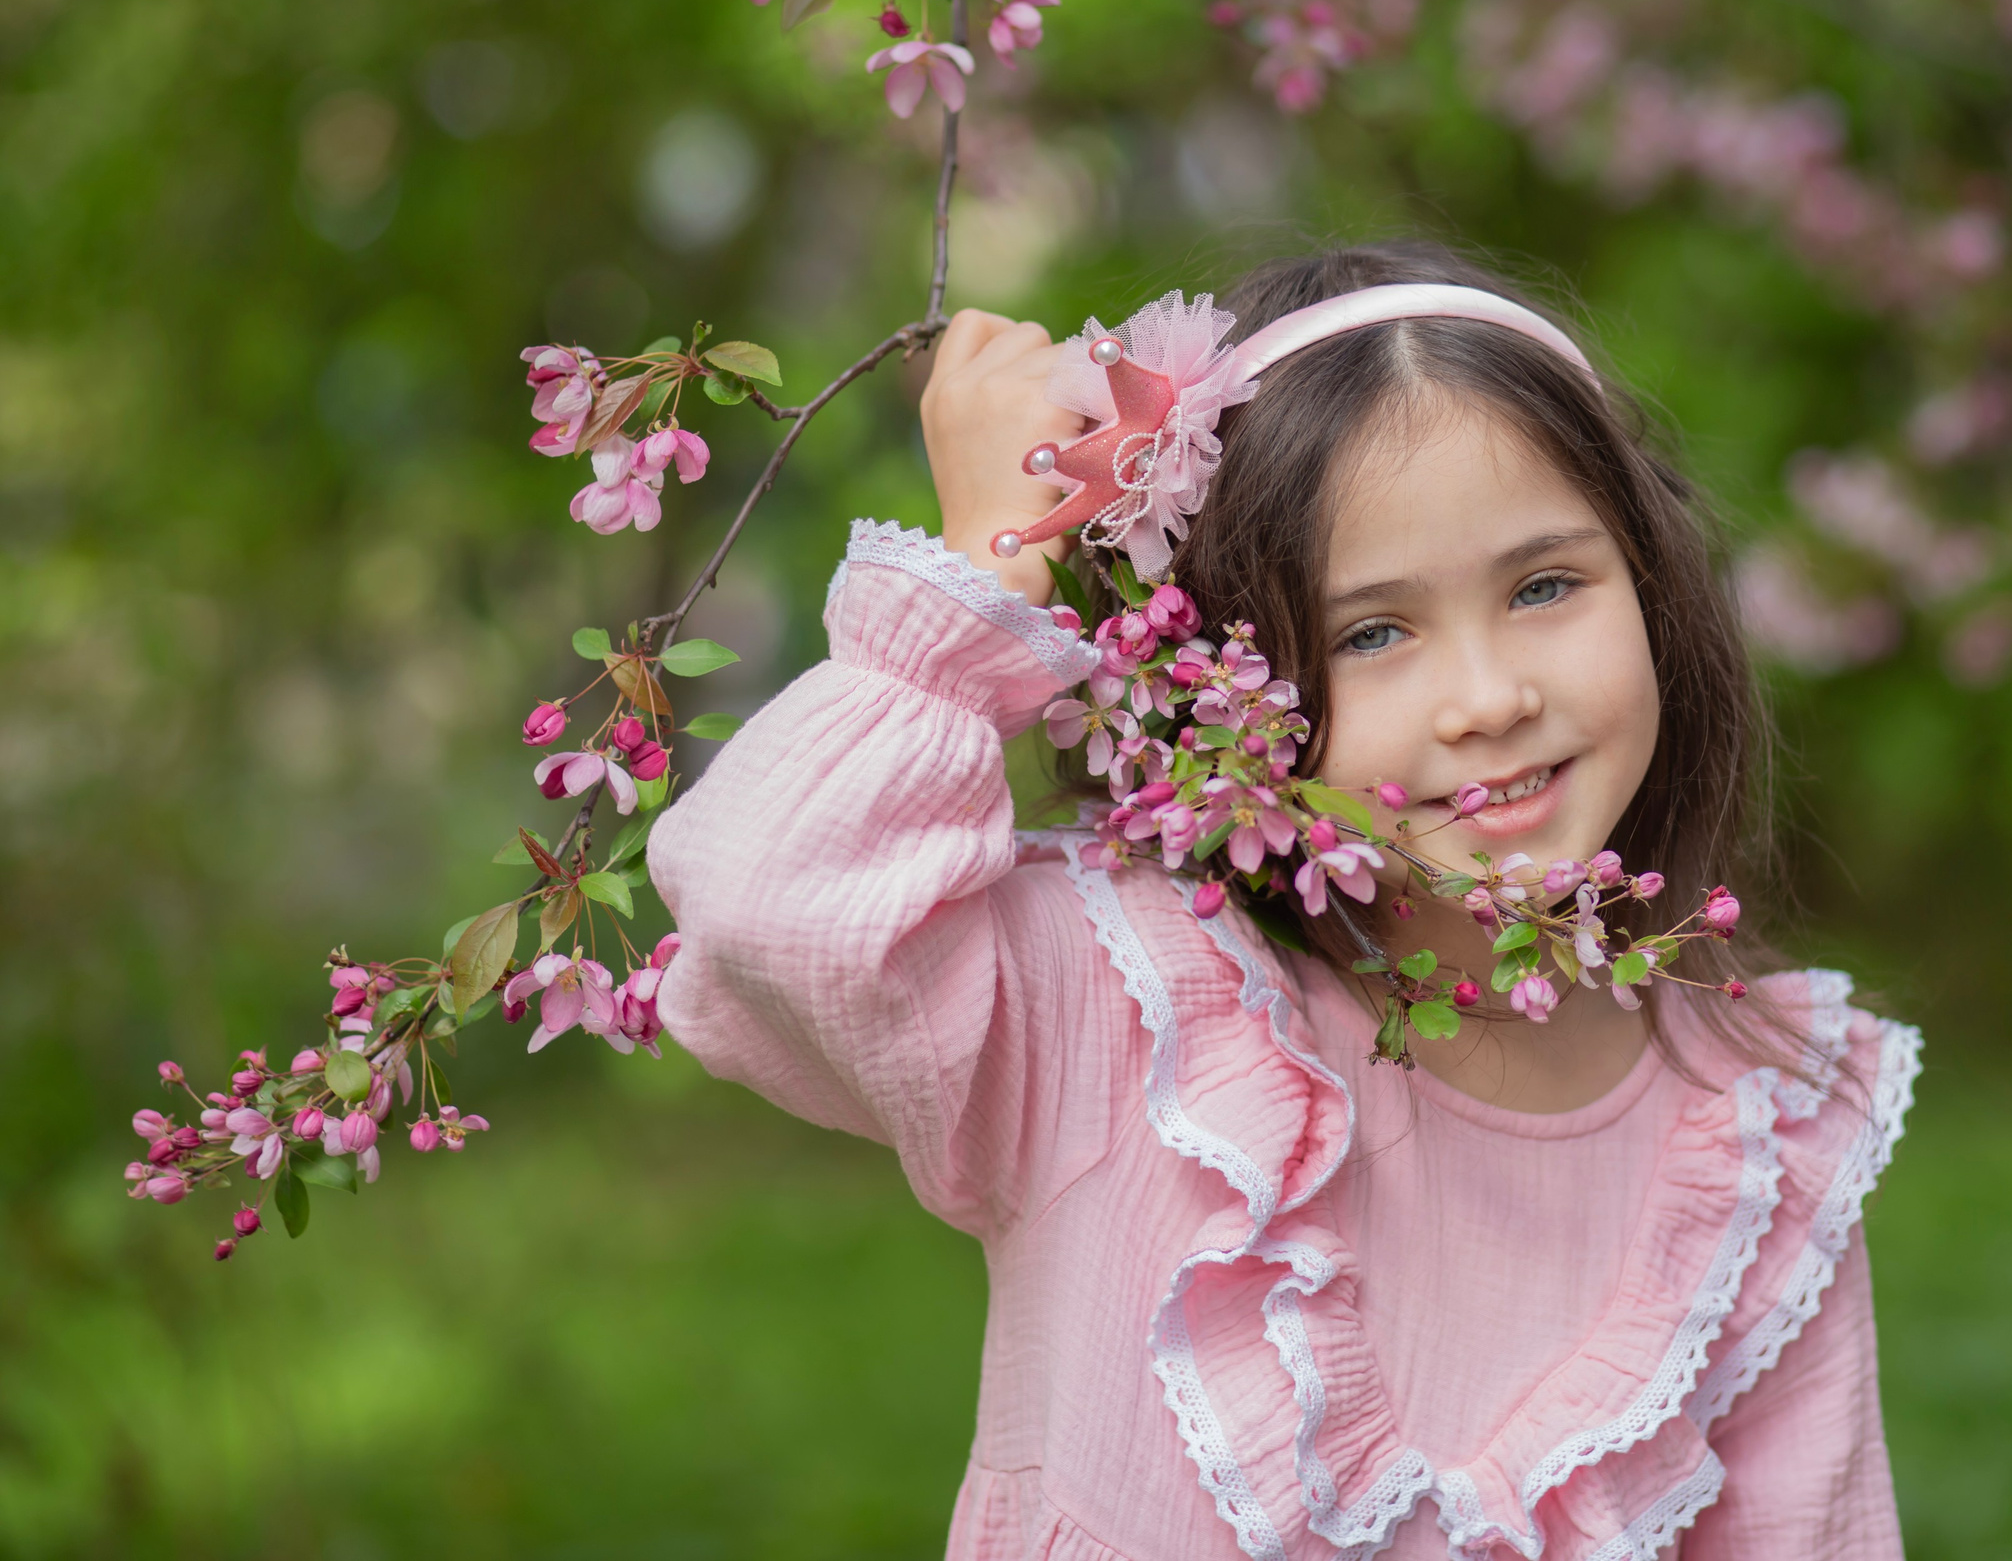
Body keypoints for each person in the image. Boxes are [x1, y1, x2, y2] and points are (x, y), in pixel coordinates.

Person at [648, 241, 1922, 1560]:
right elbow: (766, 908)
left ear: (1652, 588)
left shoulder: (1759, 1145)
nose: (1489, 697)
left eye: (1545, 586)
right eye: (1373, 631)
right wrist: (990, 565)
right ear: (1219, 689)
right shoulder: (1121, 1010)